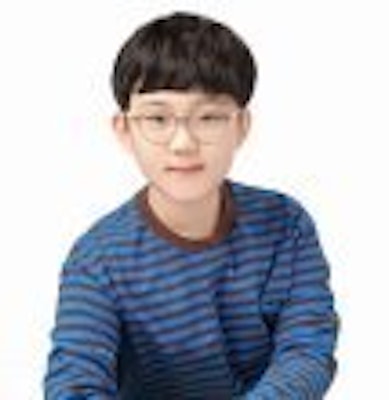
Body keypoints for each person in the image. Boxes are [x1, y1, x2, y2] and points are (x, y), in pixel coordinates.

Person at [44, 11, 339, 400]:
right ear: (125, 130)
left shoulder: (286, 225)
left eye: (209, 117)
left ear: (242, 126)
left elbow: (307, 351)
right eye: (157, 118)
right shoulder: (97, 259)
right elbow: (73, 386)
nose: (183, 143)